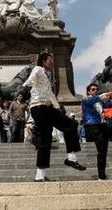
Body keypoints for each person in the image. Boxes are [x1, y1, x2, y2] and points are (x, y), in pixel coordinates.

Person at [22, 52, 86, 182]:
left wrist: (57, 107)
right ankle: (70, 159)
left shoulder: (46, 75)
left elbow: (50, 93)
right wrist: (28, 84)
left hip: (45, 107)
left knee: (48, 139)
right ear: (44, 61)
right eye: (50, 61)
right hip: (40, 108)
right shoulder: (38, 69)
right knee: (69, 126)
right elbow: (30, 80)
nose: (52, 63)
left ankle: (40, 175)